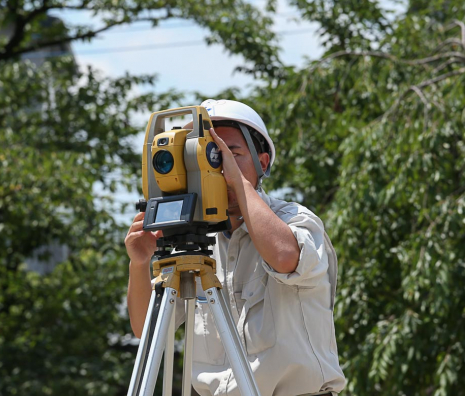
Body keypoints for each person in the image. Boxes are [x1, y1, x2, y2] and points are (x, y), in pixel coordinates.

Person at [125, 99, 346, 396]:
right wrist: (139, 264)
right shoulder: (192, 245)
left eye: (226, 154)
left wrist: (236, 181)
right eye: (201, 157)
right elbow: (146, 332)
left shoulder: (295, 220)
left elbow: (284, 257)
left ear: (262, 163)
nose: (213, 168)